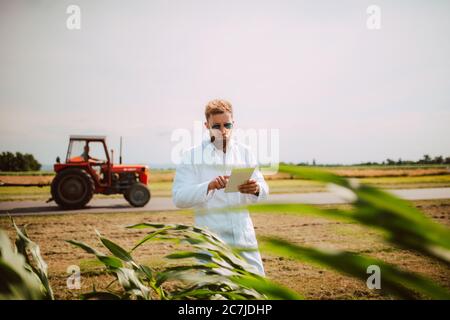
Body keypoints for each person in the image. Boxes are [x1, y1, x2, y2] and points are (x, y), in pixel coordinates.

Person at [172, 99, 269, 275]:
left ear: (234, 124)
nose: (223, 131)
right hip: (212, 241)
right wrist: (208, 186)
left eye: (227, 125)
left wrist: (256, 189)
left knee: (255, 289)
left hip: (244, 238)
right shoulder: (192, 156)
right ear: (206, 125)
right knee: (214, 293)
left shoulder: (245, 152)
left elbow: (263, 188)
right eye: (216, 126)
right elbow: (179, 197)